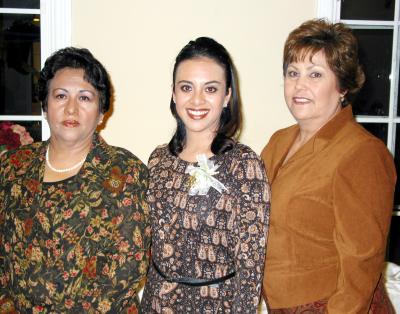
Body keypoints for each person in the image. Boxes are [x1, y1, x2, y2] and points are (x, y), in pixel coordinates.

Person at [0, 47, 151, 313]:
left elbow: (128, 269)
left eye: (84, 98)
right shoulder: (12, 167)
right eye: (60, 96)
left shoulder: (125, 172)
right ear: (45, 106)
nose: (71, 109)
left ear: (101, 112)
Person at [261, 19, 396, 313]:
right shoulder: (278, 142)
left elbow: (361, 264)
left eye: (315, 74)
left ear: (343, 86)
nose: (299, 85)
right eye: (293, 73)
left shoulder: (362, 153)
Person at [141, 37, 270, 313]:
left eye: (210, 89)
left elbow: (250, 267)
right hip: (158, 304)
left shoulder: (244, 164)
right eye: (186, 87)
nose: (196, 100)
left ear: (227, 96)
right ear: (174, 94)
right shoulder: (157, 160)